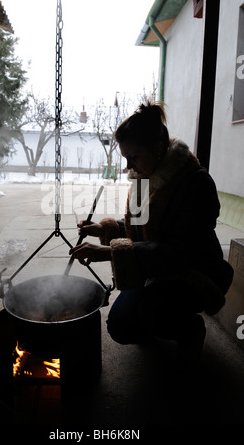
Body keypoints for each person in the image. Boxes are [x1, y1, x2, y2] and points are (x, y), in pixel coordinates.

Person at [69, 101, 234, 365]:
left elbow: (178, 253)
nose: (127, 167)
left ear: (158, 150)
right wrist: (106, 229)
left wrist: (111, 252)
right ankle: (155, 317)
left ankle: (189, 330)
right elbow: (141, 229)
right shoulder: (142, 179)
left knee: (157, 313)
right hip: (156, 270)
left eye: (133, 157)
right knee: (120, 327)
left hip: (195, 272)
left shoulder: (196, 184)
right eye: (125, 158)